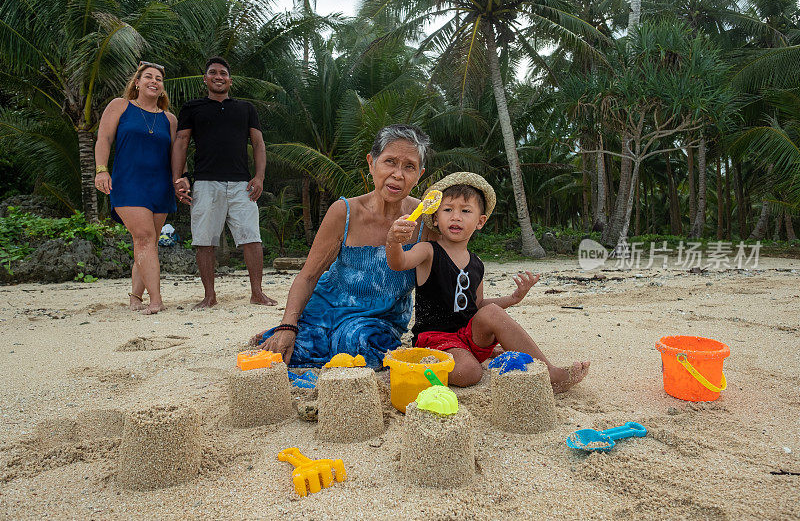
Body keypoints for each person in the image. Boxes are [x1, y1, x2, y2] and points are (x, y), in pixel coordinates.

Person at [386, 172, 590, 391]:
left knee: (491, 312)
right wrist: (393, 241)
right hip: (436, 339)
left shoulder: (477, 263)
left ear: (480, 221)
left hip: (467, 335)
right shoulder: (428, 251)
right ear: (436, 218)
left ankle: (550, 374)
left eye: (465, 211)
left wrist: (513, 298)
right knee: (470, 372)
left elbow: (478, 306)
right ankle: (424, 365)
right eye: (447, 210)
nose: (456, 217)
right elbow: (399, 263)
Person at [250, 124, 433, 368]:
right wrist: (288, 325)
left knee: (357, 345)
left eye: (409, 166)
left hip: (380, 320)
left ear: (419, 174)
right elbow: (308, 275)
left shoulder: (426, 220)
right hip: (327, 308)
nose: (398, 174)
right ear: (371, 163)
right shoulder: (344, 212)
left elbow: (443, 279)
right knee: (290, 350)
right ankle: (296, 326)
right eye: (390, 162)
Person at [171, 56, 276, 308]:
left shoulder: (246, 108)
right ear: (205, 79)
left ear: (230, 80)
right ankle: (209, 296)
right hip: (205, 183)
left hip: (242, 185)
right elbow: (181, 143)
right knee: (204, 240)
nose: (219, 77)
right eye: (213, 73)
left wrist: (259, 177)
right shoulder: (192, 108)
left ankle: (257, 293)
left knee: (252, 237)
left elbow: (259, 144)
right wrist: (178, 178)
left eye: (223, 74)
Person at [94, 61, 177, 315]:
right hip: (129, 182)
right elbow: (103, 138)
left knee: (147, 244)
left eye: (159, 79)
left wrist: (179, 181)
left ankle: (135, 297)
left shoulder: (170, 119)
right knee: (144, 238)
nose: (154, 81)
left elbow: (175, 155)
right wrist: (101, 169)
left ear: (162, 88)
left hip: (160, 186)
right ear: (137, 82)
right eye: (148, 77)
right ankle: (156, 300)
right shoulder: (120, 106)